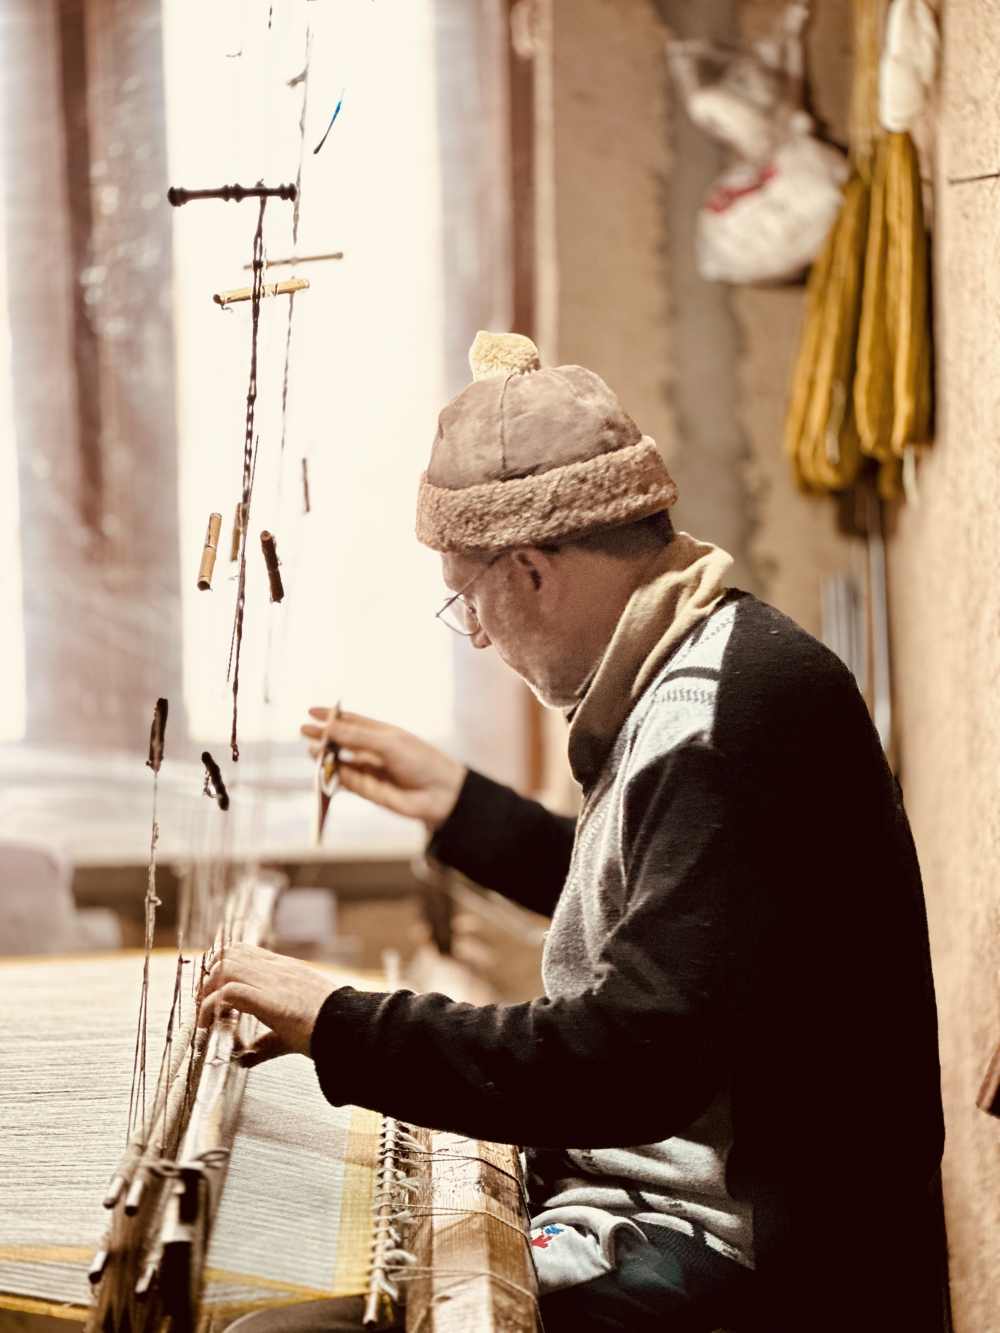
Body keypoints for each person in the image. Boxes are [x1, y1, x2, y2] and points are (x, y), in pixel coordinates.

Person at [203, 332, 945, 1333]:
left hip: (756, 1265)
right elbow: (682, 925)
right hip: (680, 1219)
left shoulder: (735, 709)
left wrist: (342, 1023)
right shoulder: (705, 664)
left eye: (468, 598)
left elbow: (630, 1054)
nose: (474, 632)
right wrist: (461, 808)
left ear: (534, 571)